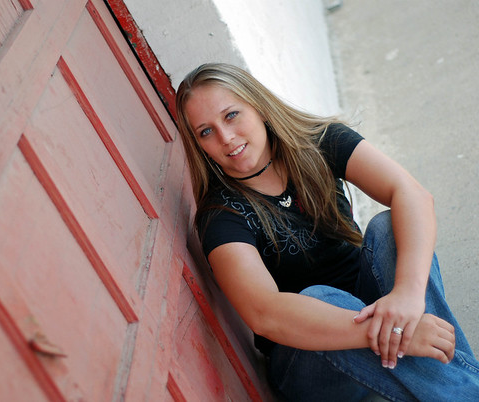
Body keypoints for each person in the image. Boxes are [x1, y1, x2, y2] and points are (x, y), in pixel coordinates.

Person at [175, 62, 479, 401]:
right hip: (306, 355)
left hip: (372, 304)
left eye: (231, 115)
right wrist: (389, 331)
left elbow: (411, 194)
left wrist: (406, 297)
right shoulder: (222, 215)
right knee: (320, 297)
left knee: (388, 228)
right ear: (199, 145)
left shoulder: (318, 141)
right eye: (206, 132)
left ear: (258, 105)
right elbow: (265, 313)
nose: (226, 138)